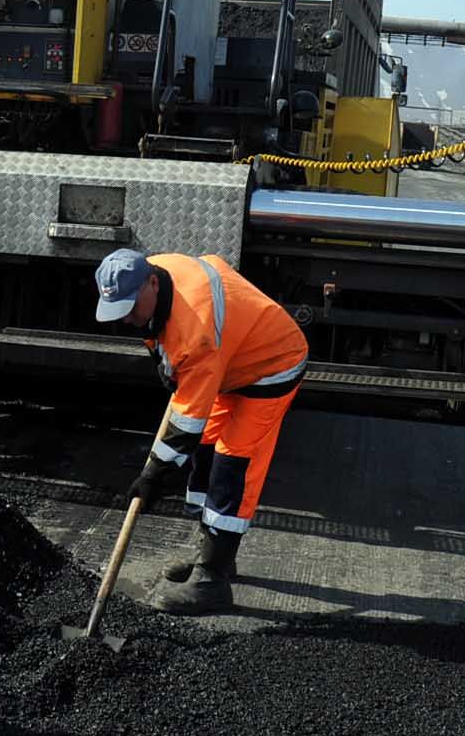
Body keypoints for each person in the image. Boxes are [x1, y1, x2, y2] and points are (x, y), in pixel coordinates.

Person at [92, 247, 309, 615]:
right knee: (206, 451)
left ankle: (212, 582)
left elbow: (185, 426)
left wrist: (153, 475)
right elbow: (159, 329)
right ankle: (213, 554)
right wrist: (164, 360)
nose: (126, 318)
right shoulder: (158, 271)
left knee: (233, 464)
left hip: (272, 364)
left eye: (130, 307)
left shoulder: (196, 332)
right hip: (230, 361)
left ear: (152, 284)